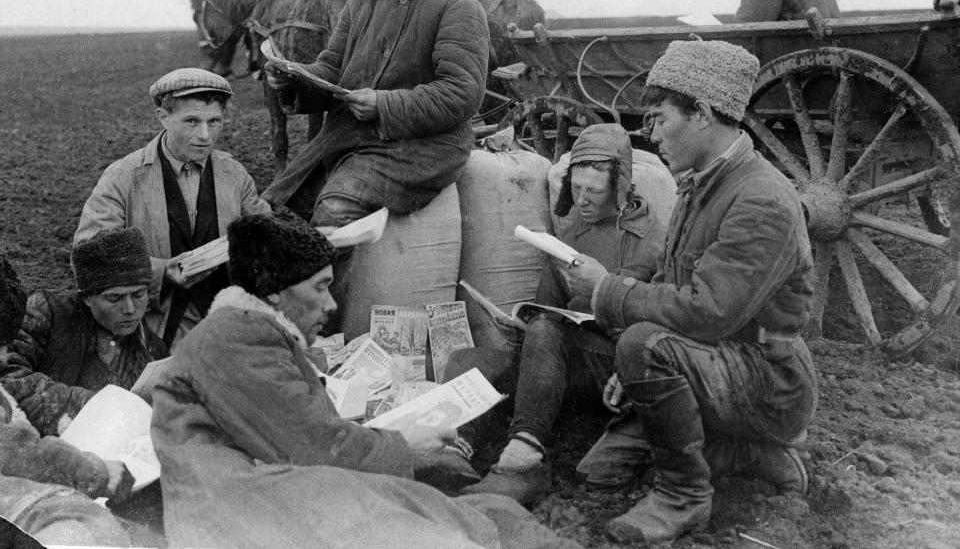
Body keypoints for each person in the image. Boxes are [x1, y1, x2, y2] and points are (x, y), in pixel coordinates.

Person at [149, 211, 580, 549]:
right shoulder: (234, 338)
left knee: (442, 508)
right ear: (276, 291)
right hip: (236, 509)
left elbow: (309, 438)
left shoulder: (245, 332)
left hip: (253, 495)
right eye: (319, 288)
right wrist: (405, 445)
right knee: (425, 516)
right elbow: (315, 448)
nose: (332, 304)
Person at [563, 40, 817, 544]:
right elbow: (667, 283)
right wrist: (626, 362)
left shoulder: (761, 198)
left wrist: (607, 292)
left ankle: (685, 495)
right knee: (599, 470)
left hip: (767, 382)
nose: (652, 134)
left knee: (643, 345)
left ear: (701, 113)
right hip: (714, 364)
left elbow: (709, 310)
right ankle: (742, 453)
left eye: (659, 118)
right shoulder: (700, 182)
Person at [441, 124, 671, 506]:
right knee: (470, 358)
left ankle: (523, 460)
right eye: (576, 189)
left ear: (621, 187)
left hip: (613, 368)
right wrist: (522, 320)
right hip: (560, 352)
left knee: (548, 331)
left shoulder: (651, 241)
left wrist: (594, 295)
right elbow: (546, 303)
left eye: (594, 191)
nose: (582, 200)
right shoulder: (572, 232)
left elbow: (651, 321)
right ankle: (453, 450)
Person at [263, 0, 488, 229]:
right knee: (270, 212)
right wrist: (294, 79)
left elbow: (461, 94)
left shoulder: (456, 3)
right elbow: (332, 69)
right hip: (347, 138)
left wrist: (384, 105)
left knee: (333, 213)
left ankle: (332, 289)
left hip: (420, 150)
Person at [75, 67, 271, 345]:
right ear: (163, 118)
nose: (205, 135)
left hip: (226, 320)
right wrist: (161, 271)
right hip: (152, 325)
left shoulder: (234, 174)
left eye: (214, 121)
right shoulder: (123, 176)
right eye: (192, 121)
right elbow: (89, 253)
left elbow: (268, 236)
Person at [0, 252, 132, 547]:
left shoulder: (145, 344)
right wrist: (93, 472)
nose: (2, 356)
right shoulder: (50, 312)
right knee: (73, 518)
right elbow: (12, 448)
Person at [0, 228, 167, 438]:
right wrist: (93, 405)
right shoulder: (49, 314)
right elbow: (7, 377)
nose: (130, 309)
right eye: (115, 298)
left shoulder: (152, 352)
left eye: (138, 294)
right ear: (87, 298)